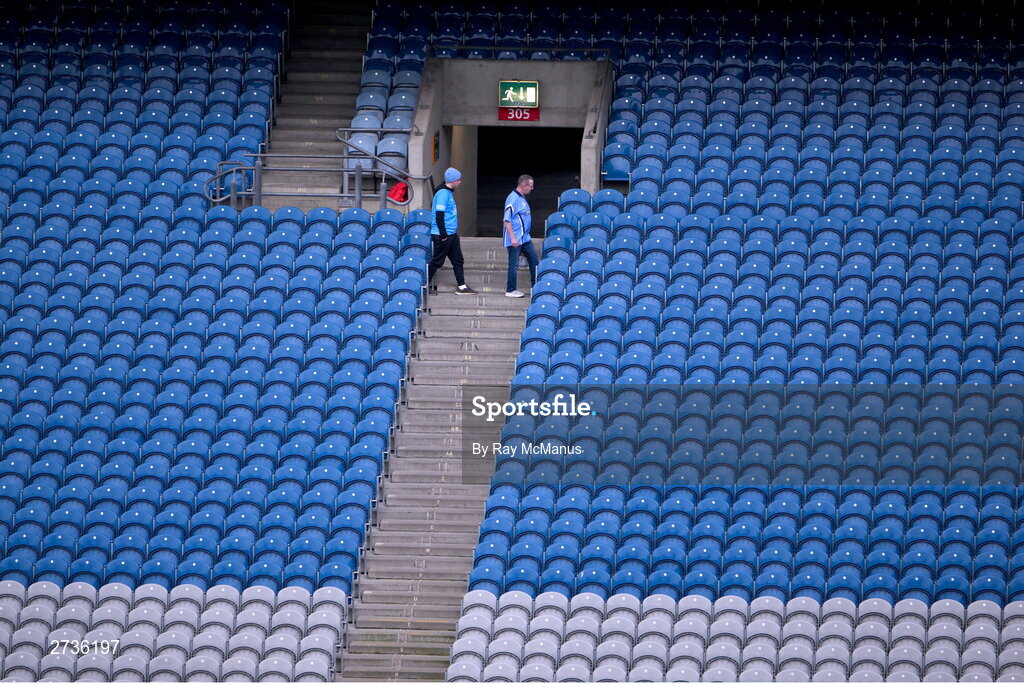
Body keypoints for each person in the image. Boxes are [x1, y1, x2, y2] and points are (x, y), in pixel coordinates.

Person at [429, 167, 477, 295]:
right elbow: (439, 216)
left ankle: (461, 286)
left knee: (458, 260)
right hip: (443, 235)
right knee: (437, 261)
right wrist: (443, 235)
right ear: (452, 180)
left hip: (451, 234)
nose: (460, 182)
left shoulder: (448, 192)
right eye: (458, 180)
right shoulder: (443, 194)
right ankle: (422, 287)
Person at [502, 174, 538, 298]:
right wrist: (512, 238)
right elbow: (507, 220)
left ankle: (536, 286)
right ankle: (510, 289)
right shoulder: (513, 199)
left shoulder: (522, 198)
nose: (532, 188)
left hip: (525, 238)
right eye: (530, 186)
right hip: (516, 239)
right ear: (524, 185)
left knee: (534, 260)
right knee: (513, 265)